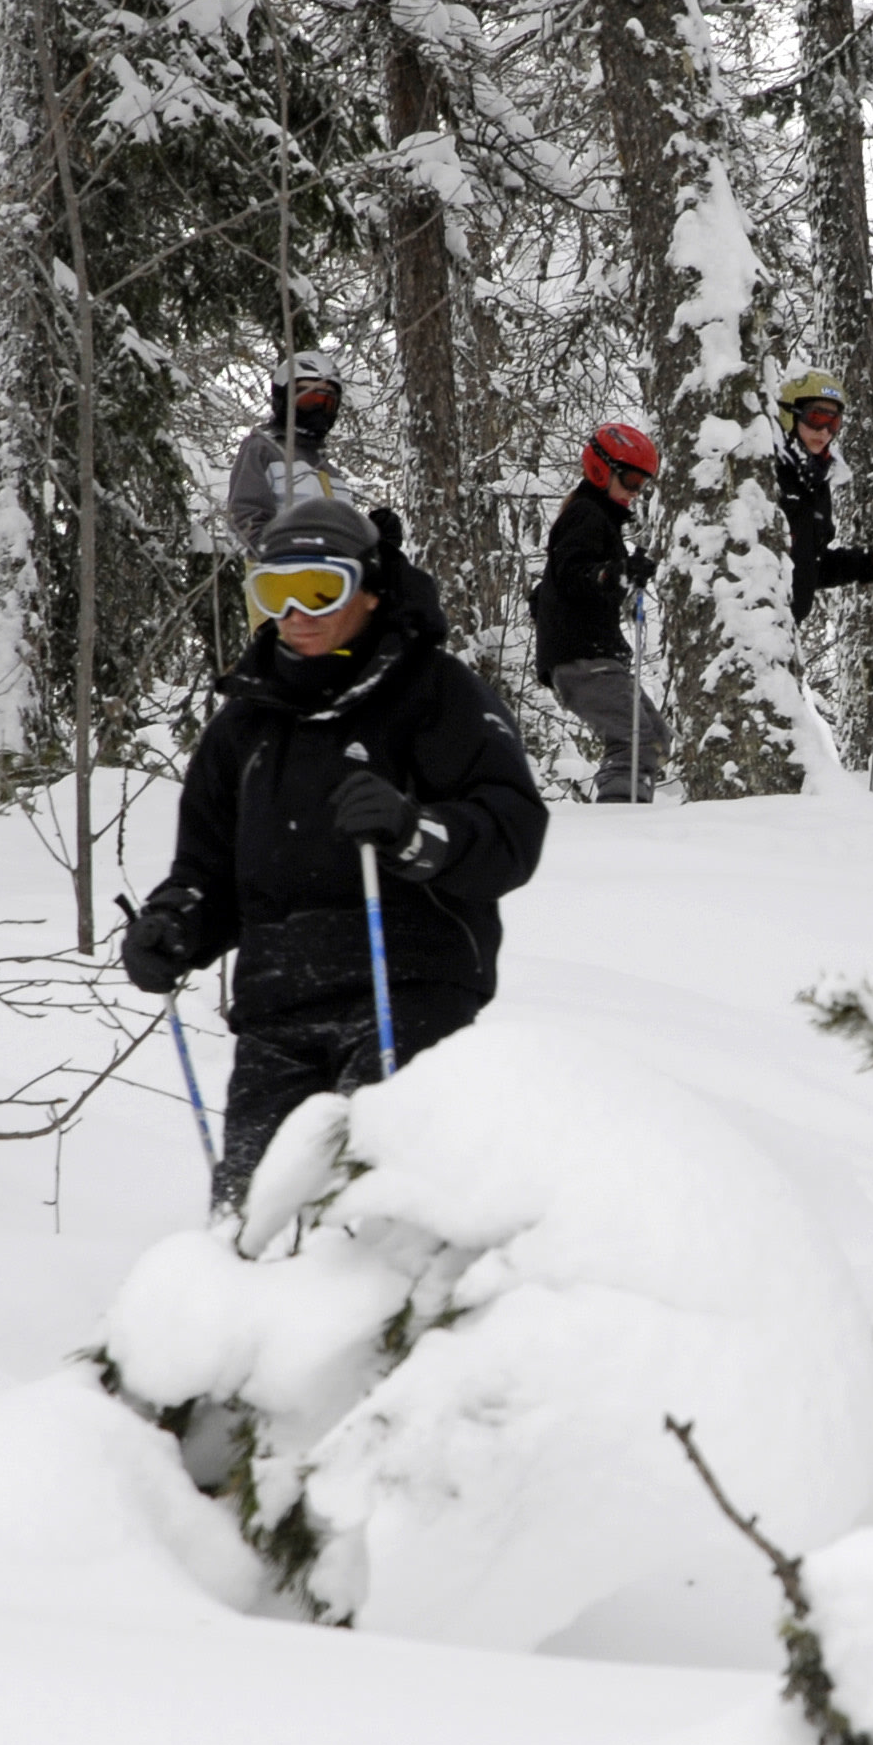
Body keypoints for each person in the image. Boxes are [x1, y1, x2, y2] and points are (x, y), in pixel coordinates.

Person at [123, 491, 547, 1210]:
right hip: (277, 1005)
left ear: (372, 592)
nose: (298, 613)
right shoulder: (243, 727)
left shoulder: (435, 693)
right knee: (253, 1214)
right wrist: (176, 924)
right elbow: (207, 870)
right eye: (276, 591)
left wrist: (418, 832)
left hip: (405, 986)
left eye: (322, 589)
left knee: (374, 1212)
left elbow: (512, 830)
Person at [530, 422, 673, 803]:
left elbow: (552, 586)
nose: (633, 491)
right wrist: (616, 574)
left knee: (656, 738)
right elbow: (574, 573)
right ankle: (619, 825)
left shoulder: (596, 519)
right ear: (600, 468)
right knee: (636, 740)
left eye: (641, 485)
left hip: (592, 653)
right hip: (582, 656)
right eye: (629, 479)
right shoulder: (586, 515)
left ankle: (629, 809)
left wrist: (619, 576)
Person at [772, 369, 873, 623]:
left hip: (784, 635)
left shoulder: (814, 483)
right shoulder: (767, 472)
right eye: (816, 418)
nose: (825, 431)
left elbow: (809, 566)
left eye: (833, 422)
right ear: (789, 414)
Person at [225, 355, 346, 553]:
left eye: (327, 402)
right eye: (309, 399)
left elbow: (341, 537)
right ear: (284, 398)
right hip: (282, 575)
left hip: (331, 578)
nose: (318, 409)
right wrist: (277, 552)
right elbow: (244, 519)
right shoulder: (264, 449)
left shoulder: (328, 470)